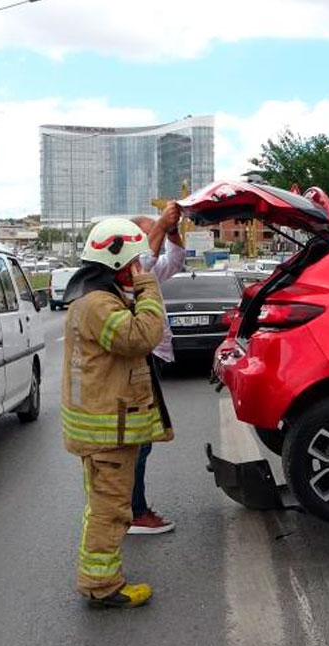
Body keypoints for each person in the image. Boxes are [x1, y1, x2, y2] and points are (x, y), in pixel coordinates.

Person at [59, 217, 172, 609]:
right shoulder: (98, 305)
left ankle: (98, 578)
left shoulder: (95, 298)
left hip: (105, 429)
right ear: (118, 262)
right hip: (107, 434)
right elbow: (143, 335)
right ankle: (102, 586)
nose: (136, 268)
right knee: (110, 510)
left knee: (103, 507)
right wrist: (147, 285)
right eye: (133, 263)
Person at [127, 205, 186, 535]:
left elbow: (175, 261)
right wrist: (160, 226)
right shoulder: (130, 271)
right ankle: (135, 511)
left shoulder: (145, 266)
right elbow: (146, 266)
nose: (159, 238)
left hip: (154, 357)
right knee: (140, 440)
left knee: (143, 438)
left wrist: (172, 230)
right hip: (141, 358)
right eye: (154, 234)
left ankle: (132, 507)